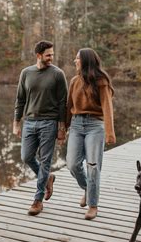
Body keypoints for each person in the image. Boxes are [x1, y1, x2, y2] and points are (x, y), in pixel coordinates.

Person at [13, 40, 68, 216]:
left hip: (49, 123)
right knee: (26, 156)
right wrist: (16, 122)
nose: (51, 57)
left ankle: (38, 200)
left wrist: (62, 127)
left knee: (45, 161)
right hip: (29, 122)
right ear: (38, 55)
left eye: (52, 54)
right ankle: (48, 179)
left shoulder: (58, 74)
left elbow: (62, 104)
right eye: (48, 55)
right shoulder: (26, 73)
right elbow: (20, 99)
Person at [65, 48, 116, 220]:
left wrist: (110, 133)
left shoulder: (101, 81)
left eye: (77, 58)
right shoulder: (74, 81)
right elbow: (68, 106)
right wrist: (62, 128)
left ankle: (93, 205)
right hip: (76, 124)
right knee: (72, 164)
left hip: (95, 125)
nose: (75, 61)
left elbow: (107, 107)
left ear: (85, 61)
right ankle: (87, 188)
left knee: (93, 166)